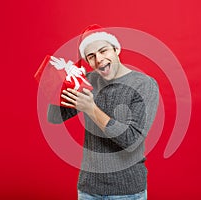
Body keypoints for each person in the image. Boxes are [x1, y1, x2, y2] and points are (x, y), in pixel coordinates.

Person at [47, 24, 159, 200]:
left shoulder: (144, 84)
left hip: (128, 193)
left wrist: (91, 109)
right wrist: (64, 82)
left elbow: (131, 140)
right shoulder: (88, 81)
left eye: (103, 51)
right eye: (91, 56)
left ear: (116, 49)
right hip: (88, 190)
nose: (98, 59)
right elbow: (54, 118)